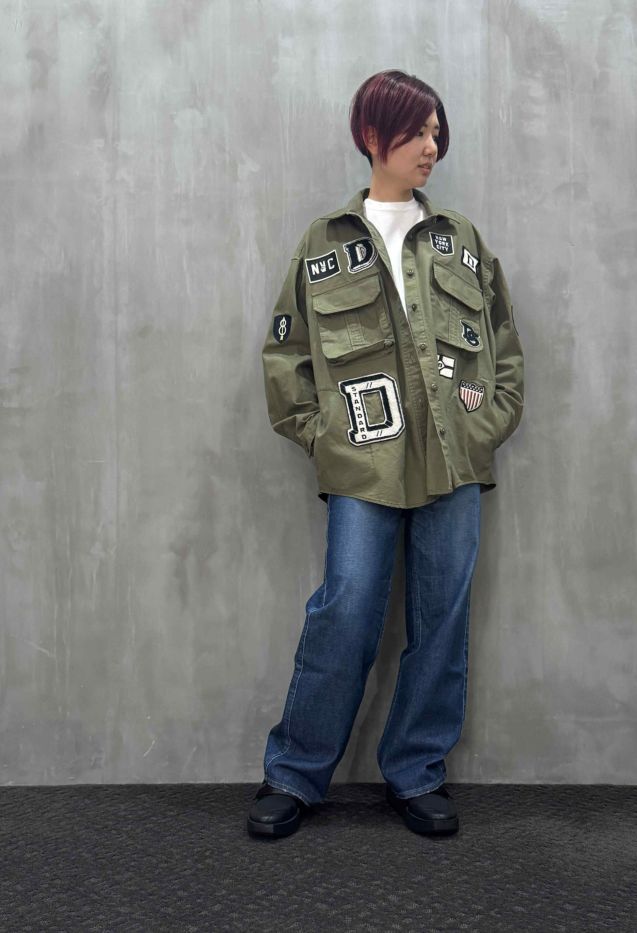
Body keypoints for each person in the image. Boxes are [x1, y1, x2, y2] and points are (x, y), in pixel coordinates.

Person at [248, 69, 524, 838]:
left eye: (438, 132)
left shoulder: (461, 241)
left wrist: (486, 425)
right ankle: (295, 774)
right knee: (346, 609)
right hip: (361, 466)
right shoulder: (325, 241)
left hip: (454, 462)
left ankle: (417, 770)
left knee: (442, 620)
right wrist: (321, 435)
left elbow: (503, 345)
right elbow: (286, 355)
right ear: (373, 135)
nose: (432, 146)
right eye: (418, 131)